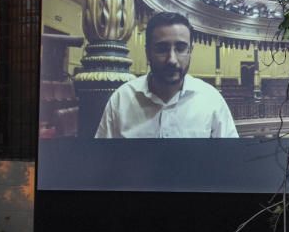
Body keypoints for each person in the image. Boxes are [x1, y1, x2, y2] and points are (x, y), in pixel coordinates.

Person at [96, 12, 238, 138]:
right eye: (162, 49)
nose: (172, 59)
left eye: (181, 48)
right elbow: (102, 161)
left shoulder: (211, 99)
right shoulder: (121, 99)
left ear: (190, 52)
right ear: (148, 52)